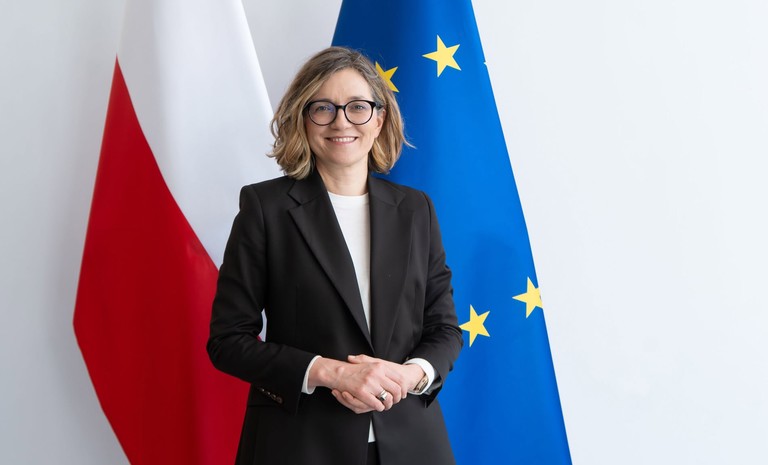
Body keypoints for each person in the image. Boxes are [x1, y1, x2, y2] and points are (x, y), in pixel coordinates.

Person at [207, 46, 463, 465]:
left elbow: (445, 329)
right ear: (303, 119)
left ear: (379, 119)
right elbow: (227, 340)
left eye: (358, 107)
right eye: (323, 108)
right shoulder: (265, 209)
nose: (341, 121)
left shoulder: (417, 209)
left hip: (412, 443)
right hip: (301, 445)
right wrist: (331, 372)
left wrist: (408, 376)